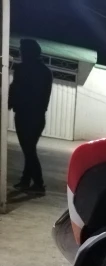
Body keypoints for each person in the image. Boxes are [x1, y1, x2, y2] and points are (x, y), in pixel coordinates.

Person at [8, 39, 53, 195]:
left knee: (28, 150)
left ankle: (38, 184)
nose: (20, 53)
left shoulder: (22, 69)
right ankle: (26, 180)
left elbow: (15, 89)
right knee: (30, 149)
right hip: (38, 116)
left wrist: (9, 104)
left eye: (22, 50)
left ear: (28, 52)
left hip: (24, 115)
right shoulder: (46, 71)